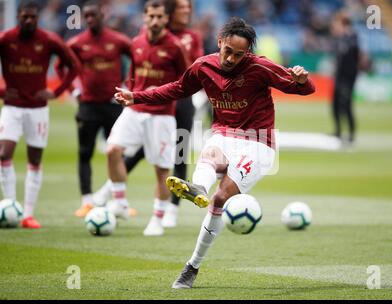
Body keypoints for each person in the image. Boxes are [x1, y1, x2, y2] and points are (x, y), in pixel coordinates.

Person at [114, 17, 315, 288]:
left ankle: (192, 266)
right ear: (219, 42)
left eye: (238, 54)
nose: (231, 58)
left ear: (248, 53)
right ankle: (197, 187)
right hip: (224, 133)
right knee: (210, 155)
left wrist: (303, 80)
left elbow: (301, 88)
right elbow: (177, 89)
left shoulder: (260, 67)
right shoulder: (203, 66)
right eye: (227, 51)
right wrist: (137, 97)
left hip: (258, 143)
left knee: (219, 199)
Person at [94, 0, 203, 228]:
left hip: (178, 103)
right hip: (141, 104)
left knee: (177, 155)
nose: (186, 12)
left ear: (165, 17)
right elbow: (133, 74)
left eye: (188, 9)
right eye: (182, 8)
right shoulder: (139, 40)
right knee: (128, 149)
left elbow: (191, 76)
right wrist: (131, 92)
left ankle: (171, 209)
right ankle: (116, 196)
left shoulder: (189, 39)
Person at [0, 1, 78, 228]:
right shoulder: (6, 39)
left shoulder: (49, 40)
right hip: (12, 107)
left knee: (34, 159)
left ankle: (28, 215)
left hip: (38, 110)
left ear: (37, 17)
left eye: (32, 17)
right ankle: (10, 204)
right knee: (4, 154)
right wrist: (2, 90)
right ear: (19, 17)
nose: (28, 21)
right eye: (24, 17)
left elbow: (74, 66)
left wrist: (56, 92)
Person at [55, 1, 133, 218]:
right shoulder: (78, 43)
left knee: (118, 154)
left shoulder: (117, 40)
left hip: (112, 105)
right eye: (86, 16)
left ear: (102, 16)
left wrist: (130, 85)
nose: (89, 19)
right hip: (87, 105)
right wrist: (72, 91)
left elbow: (137, 57)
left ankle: (120, 201)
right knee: (84, 153)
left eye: (93, 16)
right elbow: (60, 65)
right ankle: (87, 201)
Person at [330, 10, 359, 144]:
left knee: (346, 105)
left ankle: (351, 134)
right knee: (335, 104)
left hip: (348, 78)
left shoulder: (352, 37)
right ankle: (338, 131)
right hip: (339, 77)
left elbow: (353, 57)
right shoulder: (339, 40)